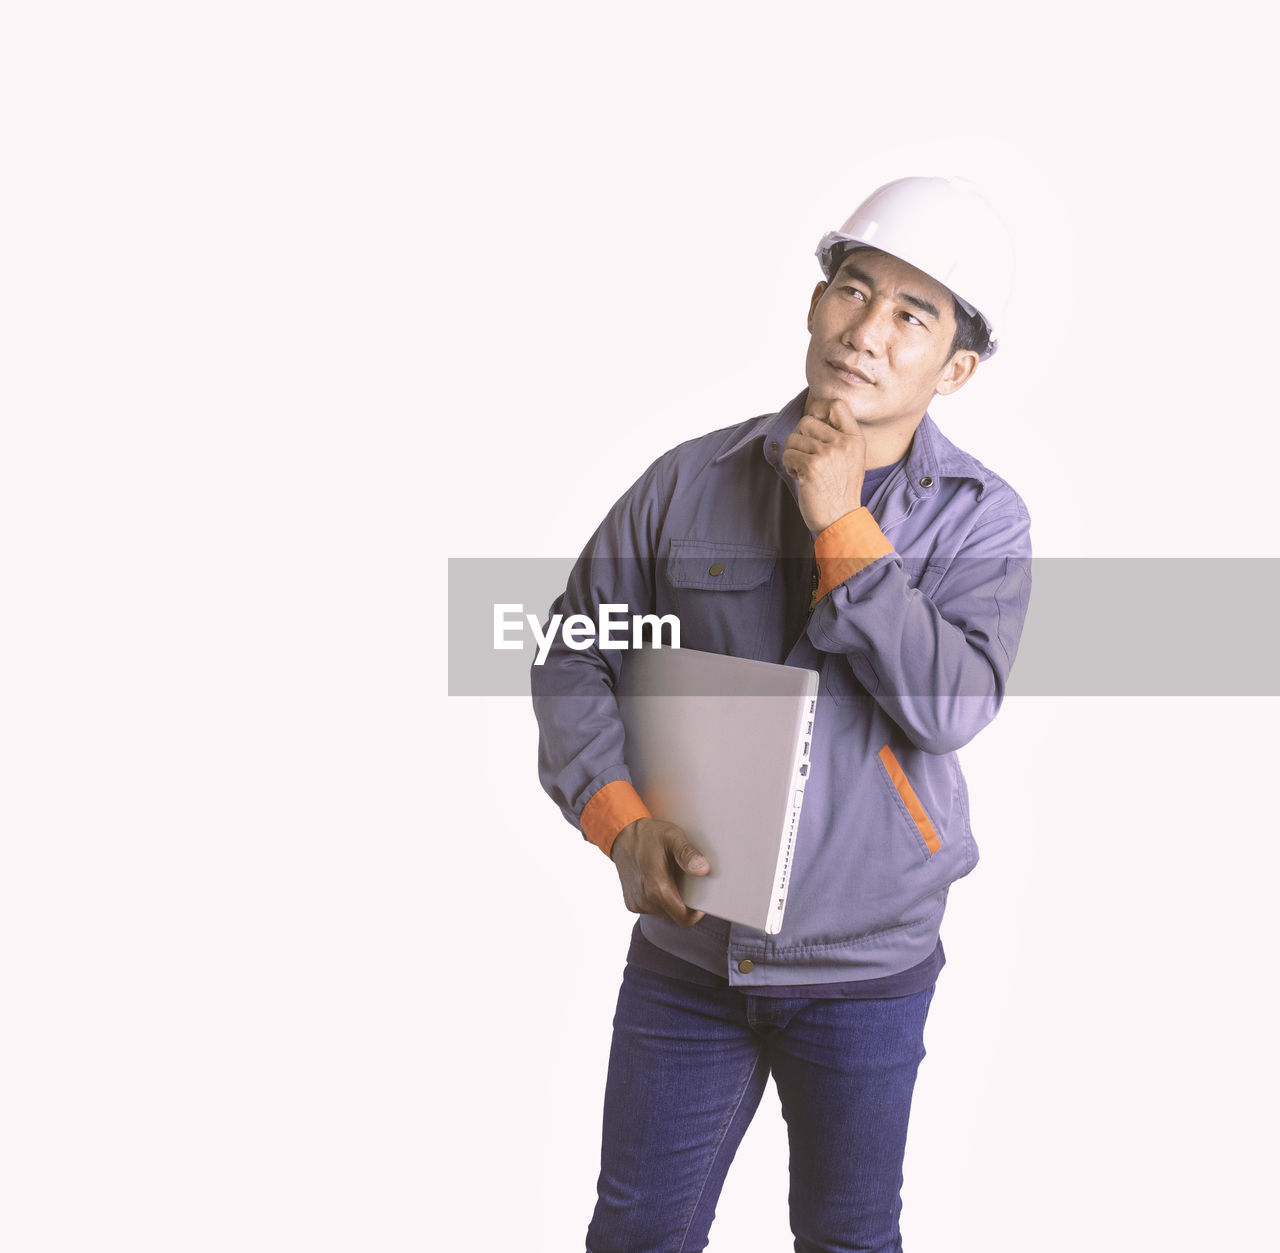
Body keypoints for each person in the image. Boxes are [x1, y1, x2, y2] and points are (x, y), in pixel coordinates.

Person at [531, 176, 1032, 1253]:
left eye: (912, 314)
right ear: (814, 306)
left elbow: (950, 703)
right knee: (635, 1232)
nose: (866, 330)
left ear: (953, 369)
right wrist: (618, 816)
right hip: (690, 951)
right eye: (853, 289)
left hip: (866, 967)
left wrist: (840, 525)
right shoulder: (686, 482)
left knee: (846, 1238)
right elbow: (573, 650)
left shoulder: (979, 521)